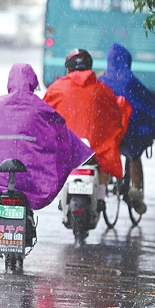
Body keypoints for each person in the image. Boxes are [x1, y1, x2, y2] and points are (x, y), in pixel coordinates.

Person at [0, 63, 94, 240]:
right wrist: (78, 149)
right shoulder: (42, 108)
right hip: (30, 176)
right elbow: (60, 132)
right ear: (32, 81)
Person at [43, 49, 131, 210]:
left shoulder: (56, 89)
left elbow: (44, 115)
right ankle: (102, 195)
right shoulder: (102, 89)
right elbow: (116, 114)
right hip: (95, 148)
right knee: (106, 154)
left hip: (67, 147)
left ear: (68, 68)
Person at [98, 43, 155, 215]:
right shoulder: (130, 81)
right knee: (134, 156)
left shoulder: (101, 81)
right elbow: (147, 101)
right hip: (129, 133)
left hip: (108, 134)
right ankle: (136, 189)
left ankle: (100, 191)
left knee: (102, 157)